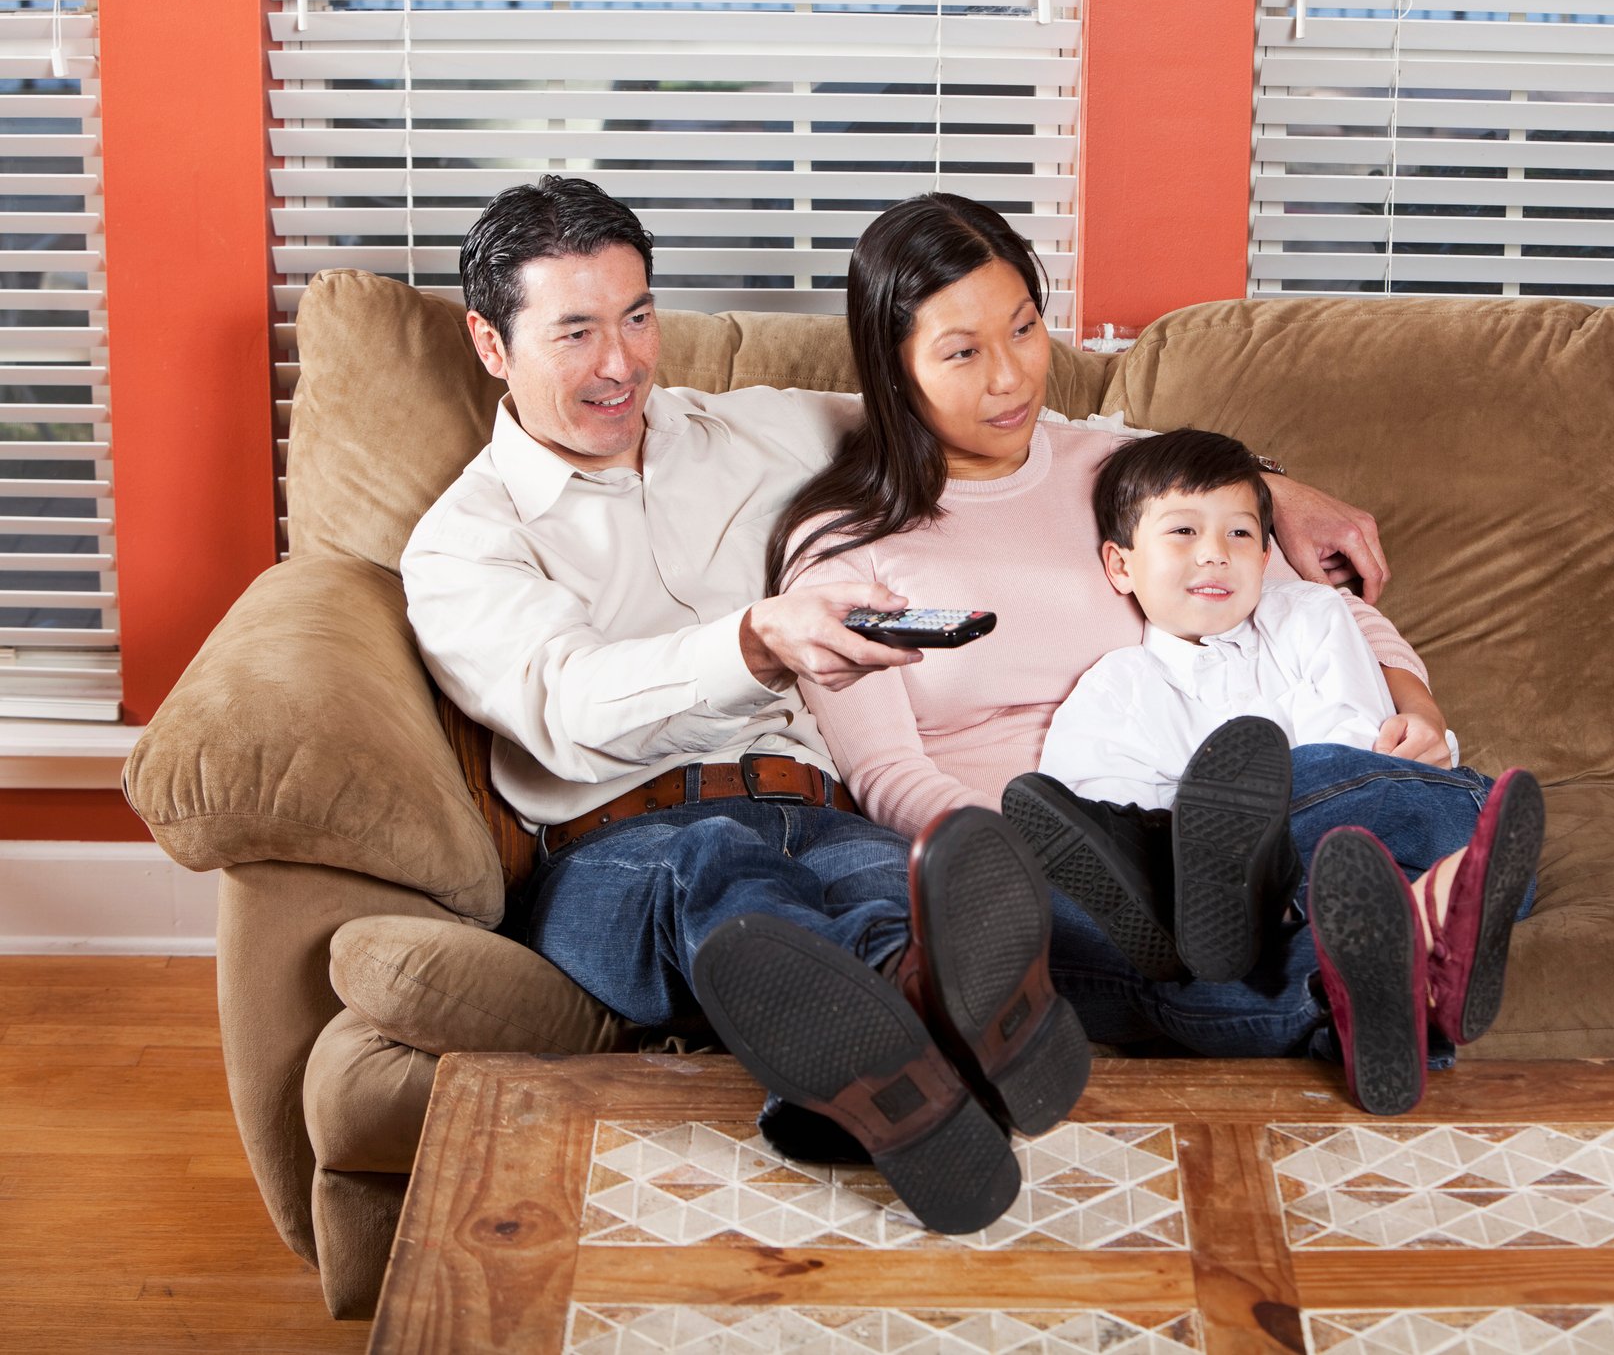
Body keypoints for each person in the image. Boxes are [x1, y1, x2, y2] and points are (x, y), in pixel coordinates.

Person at [400, 177, 1400, 1224]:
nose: (621, 363)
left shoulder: (752, 432)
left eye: (637, 316)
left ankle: (902, 1063)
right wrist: (753, 639)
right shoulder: (467, 541)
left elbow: (1014, 416)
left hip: (824, 810)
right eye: (576, 332)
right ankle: (904, 1055)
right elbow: (569, 704)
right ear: (490, 343)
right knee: (720, 876)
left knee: (908, 900)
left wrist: (1266, 485)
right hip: (619, 842)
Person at [774, 192, 1542, 1115]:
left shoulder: (1115, 469)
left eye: (1023, 330)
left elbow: (1310, 611)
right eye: (962, 353)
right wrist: (1013, 856)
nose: (1012, 378)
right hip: (1046, 852)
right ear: (892, 370)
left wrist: (1414, 707)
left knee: (1425, 801)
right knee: (1191, 949)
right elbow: (886, 772)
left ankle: (1318, 902)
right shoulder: (844, 549)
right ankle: (1392, 963)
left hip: (1222, 809)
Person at [1021, 427, 1540, 1065]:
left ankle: (1251, 871)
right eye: (1183, 532)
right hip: (1337, 903)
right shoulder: (1114, 690)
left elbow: (1356, 750)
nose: (1214, 555)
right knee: (1236, 958)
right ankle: (1397, 1000)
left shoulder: (1311, 617)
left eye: (1239, 534)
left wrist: (1227, 842)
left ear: (1267, 558)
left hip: (1414, 825)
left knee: (1312, 772)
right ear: (1120, 565)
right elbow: (1102, 847)